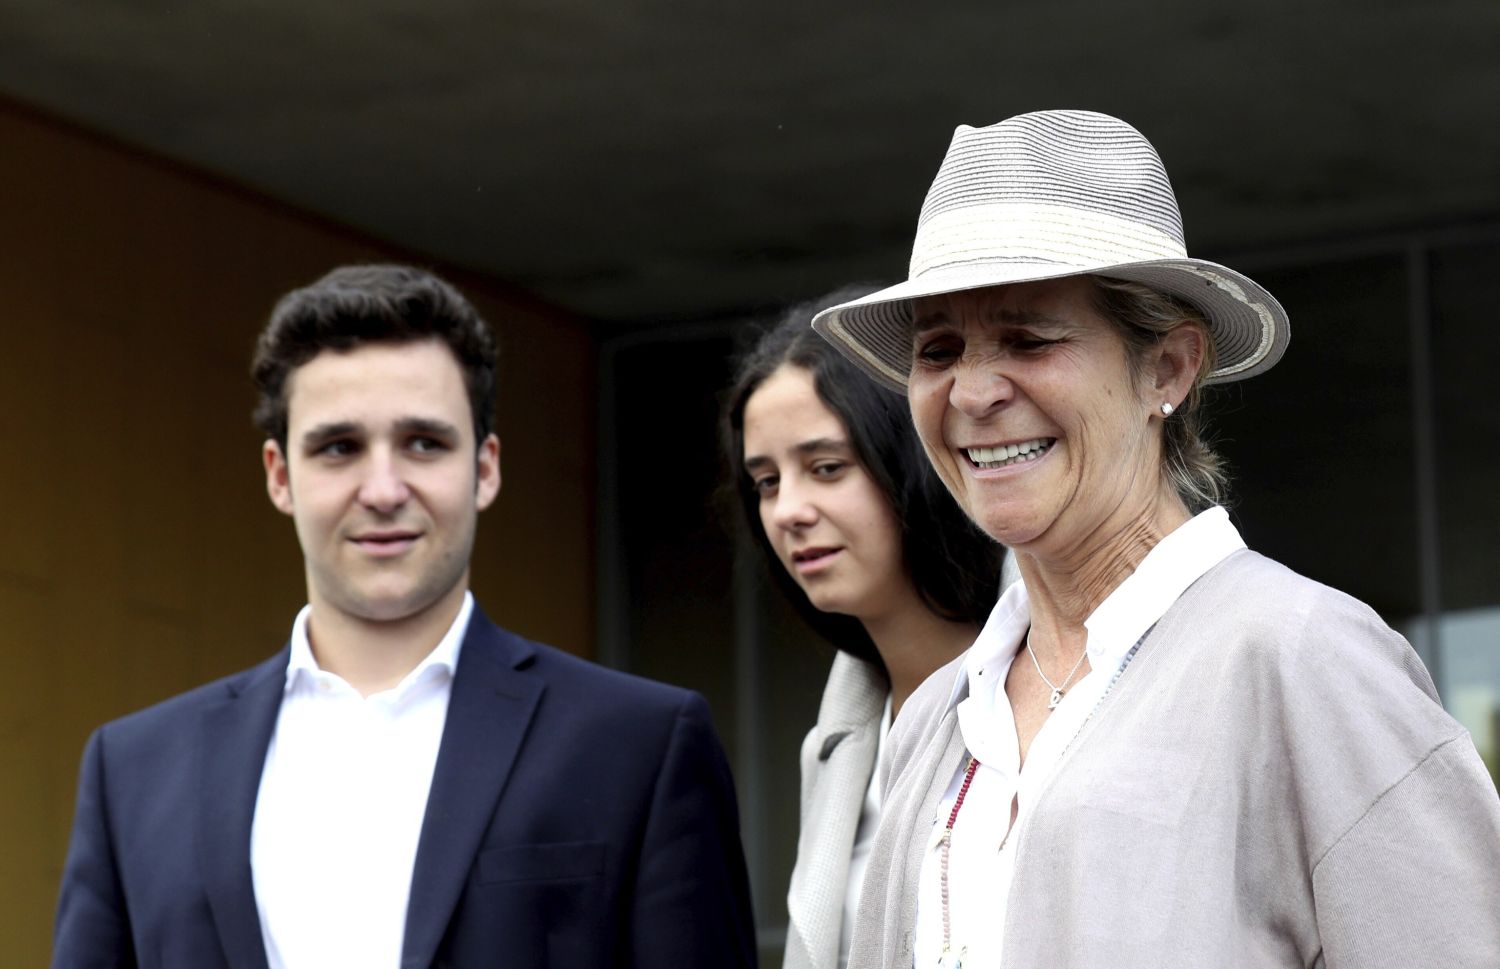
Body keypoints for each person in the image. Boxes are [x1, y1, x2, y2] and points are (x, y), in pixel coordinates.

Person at [809, 110, 1500, 969]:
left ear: (1167, 368)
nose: (973, 392)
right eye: (939, 350)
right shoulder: (936, 721)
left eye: (1029, 338)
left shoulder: (1305, 657)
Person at [52, 264, 757, 969]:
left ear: (485, 468)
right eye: (339, 448)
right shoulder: (133, 770)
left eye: (424, 443)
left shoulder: (641, 745)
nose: (384, 490)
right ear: (279, 475)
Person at [723, 290, 1012, 969]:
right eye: (766, 482)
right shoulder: (837, 742)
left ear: (918, 457)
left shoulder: (1057, 689)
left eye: (827, 468)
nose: (788, 511)